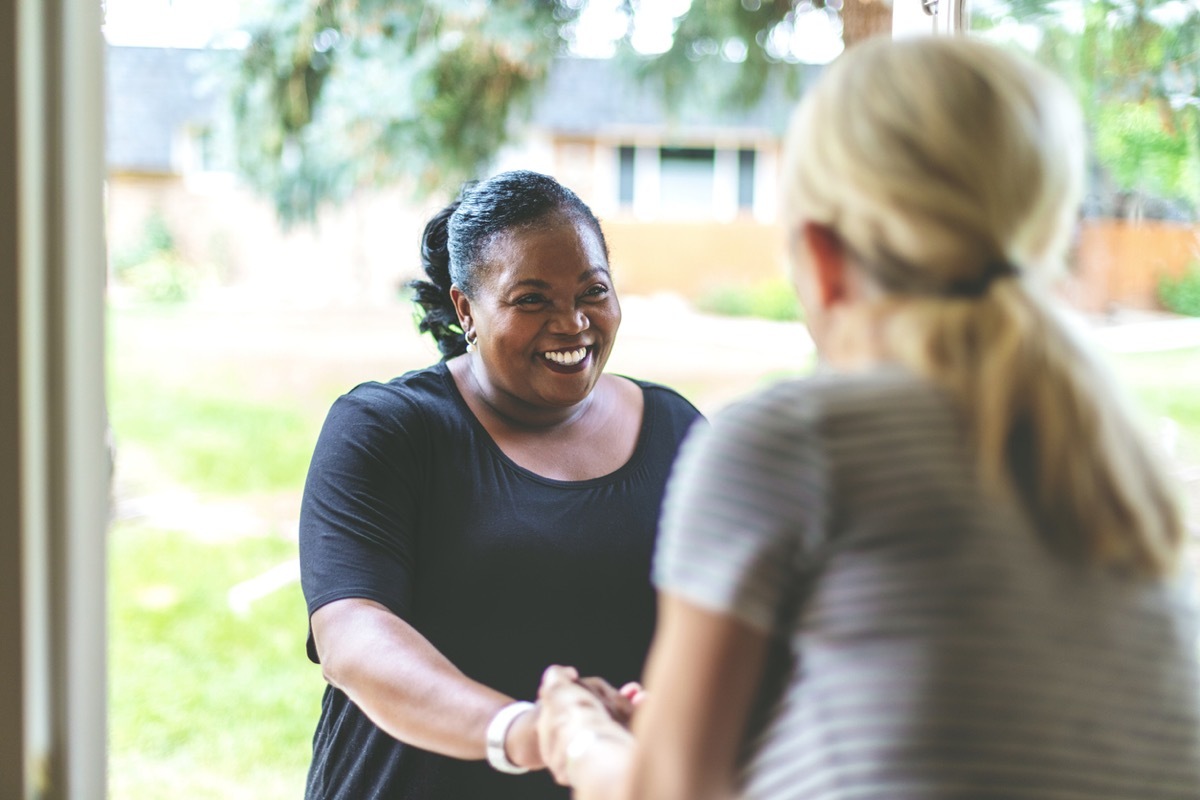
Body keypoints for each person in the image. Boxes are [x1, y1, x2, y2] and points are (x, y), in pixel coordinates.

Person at [536, 35, 1200, 800]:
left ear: (822, 255)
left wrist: (577, 735)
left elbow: (672, 794)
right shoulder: (1116, 459)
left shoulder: (793, 441)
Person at [298, 169, 703, 799]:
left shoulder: (678, 433)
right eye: (532, 299)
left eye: (593, 291)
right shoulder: (387, 429)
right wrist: (522, 732)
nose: (572, 323)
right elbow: (352, 634)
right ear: (467, 308)